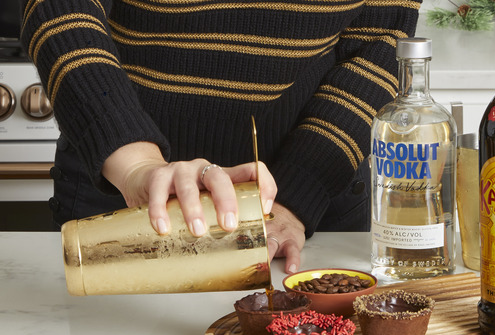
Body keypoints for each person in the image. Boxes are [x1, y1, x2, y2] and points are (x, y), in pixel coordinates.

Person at [19, 0, 422, 274]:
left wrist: (295, 197)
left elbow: (381, 42)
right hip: (121, 175)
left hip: (308, 196)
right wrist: (138, 164)